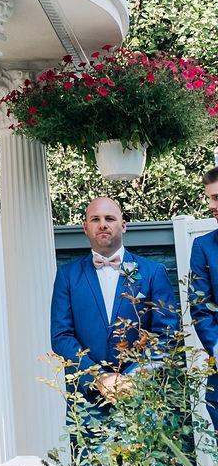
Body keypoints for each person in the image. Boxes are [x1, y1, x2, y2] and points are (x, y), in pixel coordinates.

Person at [50, 196, 180, 416]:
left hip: (142, 398)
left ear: (123, 225)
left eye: (109, 218)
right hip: (87, 403)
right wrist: (99, 377)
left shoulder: (152, 272)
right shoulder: (67, 275)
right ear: (85, 228)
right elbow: (61, 336)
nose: (103, 224)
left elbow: (166, 334)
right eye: (95, 219)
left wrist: (133, 378)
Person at [188, 166, 218, 429]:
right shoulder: (203, 247)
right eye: (209, 198)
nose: (211, 206)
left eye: (216, 198)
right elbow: (200, 307)